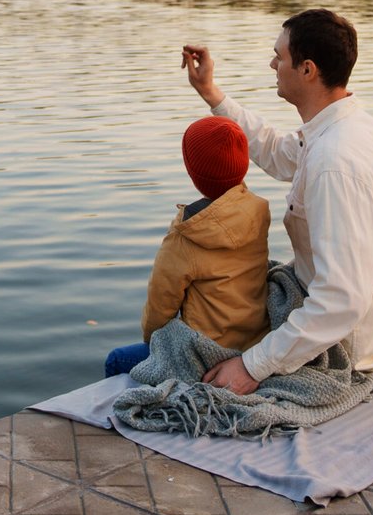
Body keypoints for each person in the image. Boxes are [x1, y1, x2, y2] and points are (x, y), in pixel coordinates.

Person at [182, 9, 373, 395]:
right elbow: (277, 152)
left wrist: (252, 365)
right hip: (332, 315)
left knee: (144, 356)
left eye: (279, 56)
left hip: (349, 347)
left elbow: (341, 300)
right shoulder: (344, 127)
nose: (272, 64)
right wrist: (210, 91)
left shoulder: (337, 161)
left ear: (307, 69)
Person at [104, 116, 271, 378]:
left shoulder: (186, 237)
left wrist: (154, 344)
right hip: (254, 343)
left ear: (192, 172)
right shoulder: (257, 211)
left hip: (204, 353)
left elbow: (159, 311)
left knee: (117, 360)